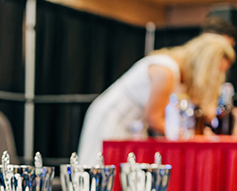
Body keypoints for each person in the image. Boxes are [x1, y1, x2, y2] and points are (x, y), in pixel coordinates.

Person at [77, 33, 235, 165]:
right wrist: (187, 136)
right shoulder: (166, 71)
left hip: (133, 126)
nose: (216, 78)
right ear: (205, 65)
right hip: (113, 121)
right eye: (216, 71)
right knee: (99, 175)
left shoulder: (179, 74)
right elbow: (153, 118)